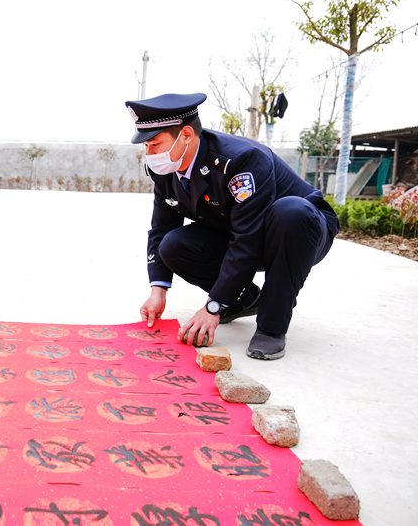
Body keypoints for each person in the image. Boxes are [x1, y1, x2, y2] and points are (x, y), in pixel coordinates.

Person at [127, 93, 338, 360]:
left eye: (155, 144)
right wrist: (158, 290)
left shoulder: (242, 160)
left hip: (299, 232)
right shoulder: (164, 169)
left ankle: (271, 328)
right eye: (146, 147)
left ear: (187, 135)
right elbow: (161, 228)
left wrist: (212, 307)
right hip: (237, 231)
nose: (150, 154)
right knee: (173, 245)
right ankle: (242, 300)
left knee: (290, 213)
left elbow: (247, 239)